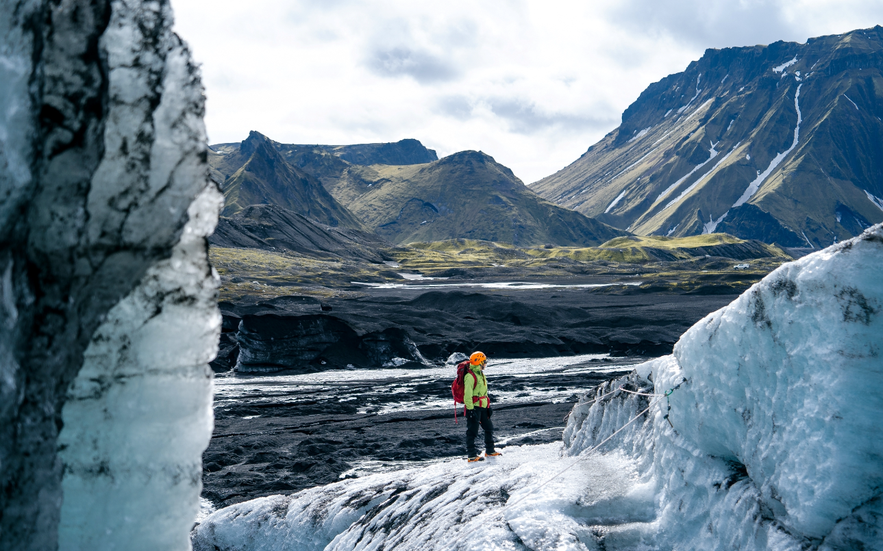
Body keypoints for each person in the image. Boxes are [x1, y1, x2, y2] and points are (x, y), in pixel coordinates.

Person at [464, 351, 501, 462]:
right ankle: (471, 455)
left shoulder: (481, 374)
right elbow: (468, 395)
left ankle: (490, 450)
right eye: (484, 361)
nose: (486, 363)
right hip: (474, 408)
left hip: (483, 407)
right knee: (472, 432)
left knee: (489, 428)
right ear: (479, 362)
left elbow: (484, 393)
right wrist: (470, 410)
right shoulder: (469, 376)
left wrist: (487, 406)